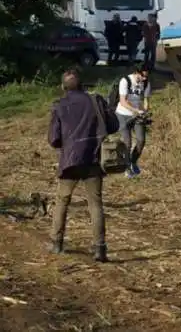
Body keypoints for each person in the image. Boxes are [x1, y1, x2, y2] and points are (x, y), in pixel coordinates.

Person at [48, 68, 119, 262]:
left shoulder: (59, 106)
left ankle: (57, 243)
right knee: (95, 204)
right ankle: (100, 248)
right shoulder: (96, 100)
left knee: (62, 200)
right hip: (94, 158)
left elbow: (53, 139)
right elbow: (113, 126)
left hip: (70, 160)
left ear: (63, 86)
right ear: (82, 84)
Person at [115, 63, 151, 178]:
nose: (144, 79)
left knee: (141, 140)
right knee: (128, 142)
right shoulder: (125, 81)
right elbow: (123, 101)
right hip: (123, 114)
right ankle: (126, 168)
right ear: (136, 72)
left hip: (137, 115)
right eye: (142, 76)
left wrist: (145, 110)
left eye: (146, 77)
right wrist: (135, 110)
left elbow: (146, 99)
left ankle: (133, 161)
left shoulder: (145, 83)